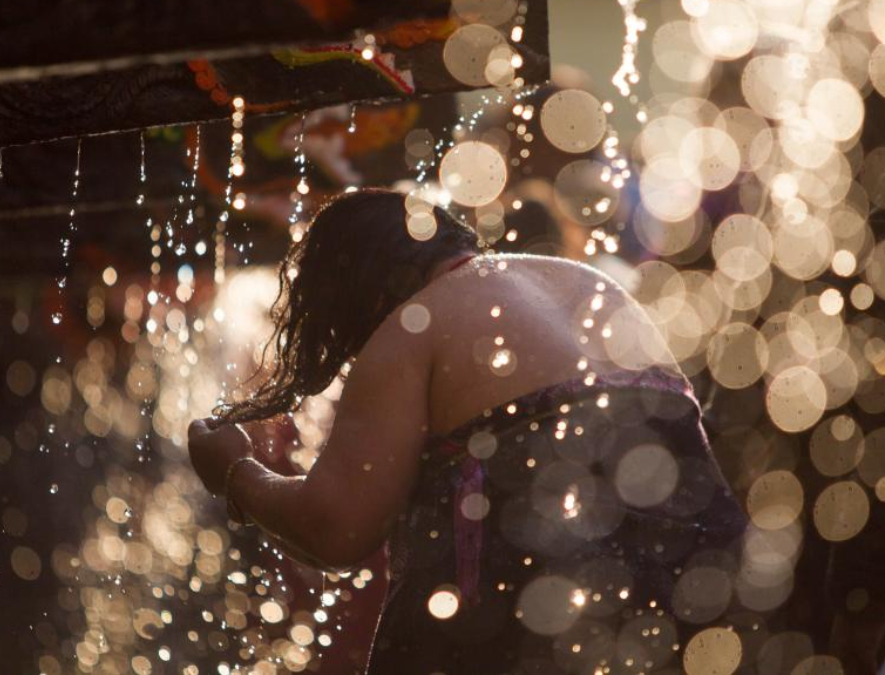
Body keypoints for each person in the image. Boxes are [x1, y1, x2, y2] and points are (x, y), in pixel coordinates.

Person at [187, 188, 747, 674]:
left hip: (549, 635)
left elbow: (337, 529)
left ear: (360, 290)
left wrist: (235, 474)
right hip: (717, 609)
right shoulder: (591, 285)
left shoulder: (414, 321)